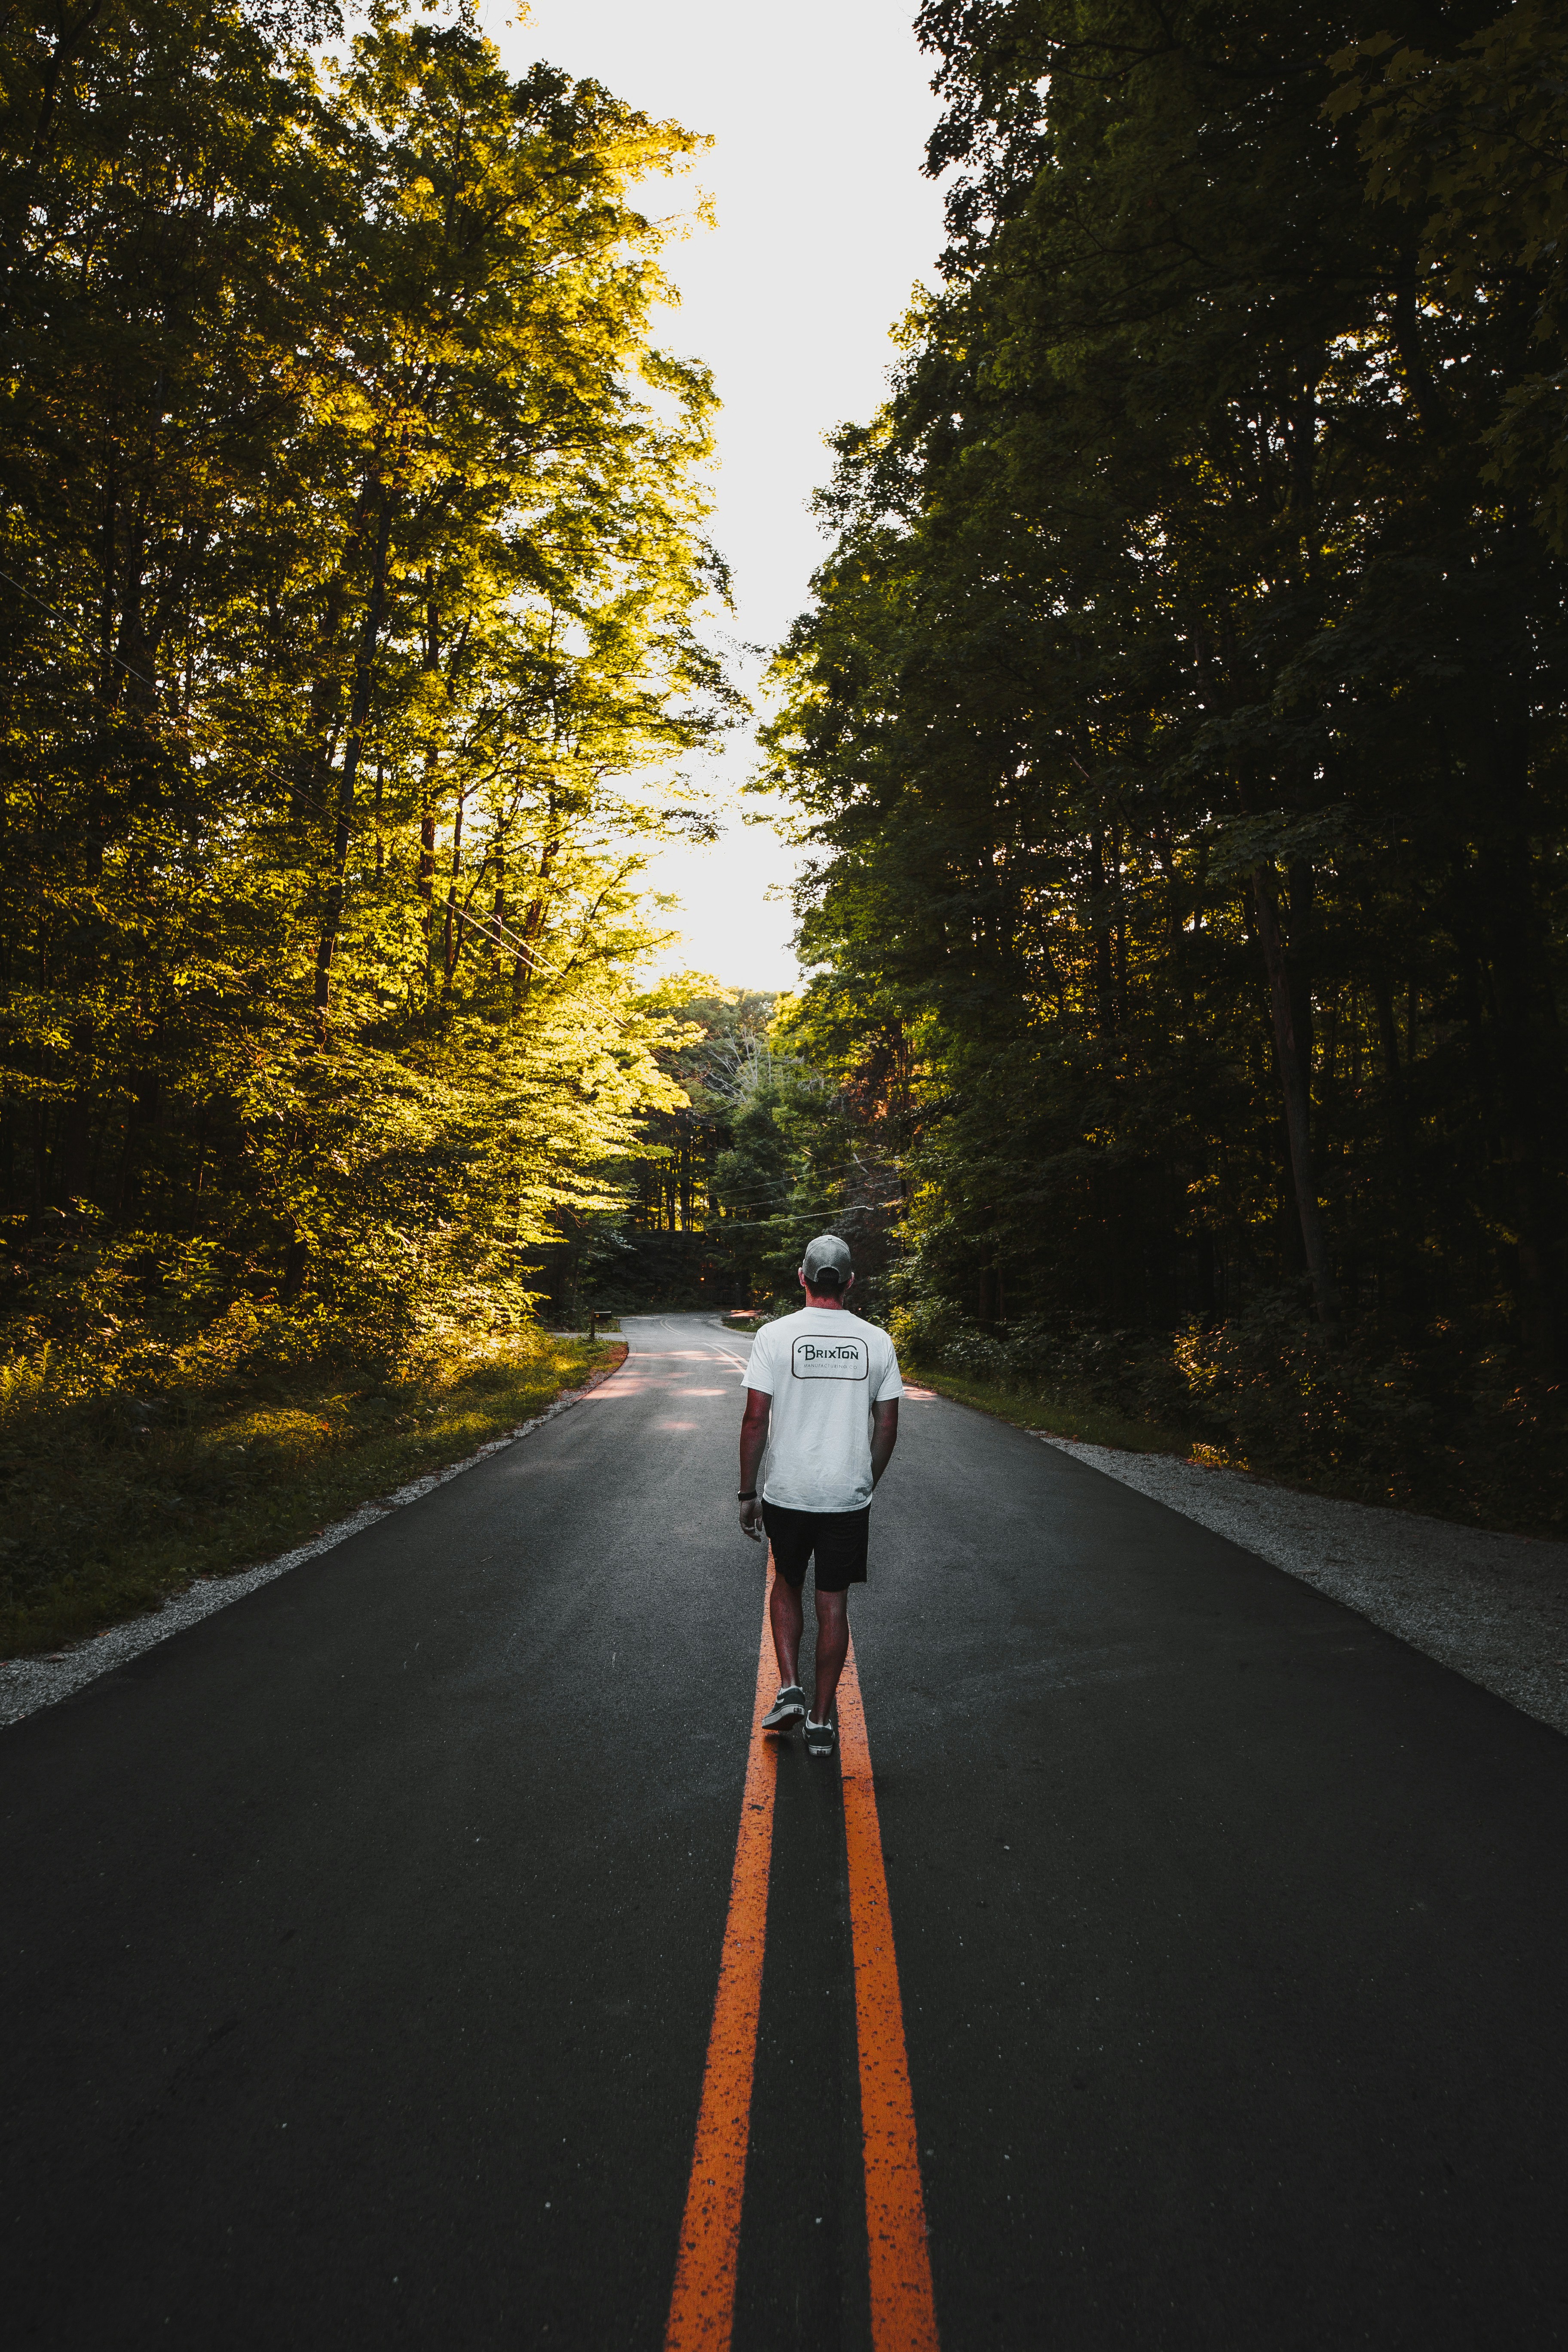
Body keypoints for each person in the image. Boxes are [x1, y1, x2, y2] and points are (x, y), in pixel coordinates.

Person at [736, 1234, 902, 1755]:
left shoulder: (774, 1335)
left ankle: (789, 1687)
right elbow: (888, 1424)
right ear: (851, 1282)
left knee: (786, 1582)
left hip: (789, 1490)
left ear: (802, 1277)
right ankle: (823, 1721)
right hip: (846, 1496)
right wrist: (864, 1479)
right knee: (834, 1603)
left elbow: (755, 1418)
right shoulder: (876, 1340)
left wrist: (747, 1491)